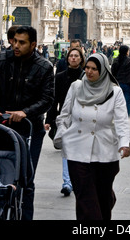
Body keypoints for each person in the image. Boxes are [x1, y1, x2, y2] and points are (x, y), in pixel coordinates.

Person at [0, 26, 54, 220]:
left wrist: (25, 112)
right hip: (2, 126)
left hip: (30, 129)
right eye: (14, 41)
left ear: (33, 45)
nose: (16, 45)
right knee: (0, 172)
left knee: (26, 179)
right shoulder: (1, 60)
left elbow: (47, 99)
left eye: (22, 42)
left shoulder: (44, 67)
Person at [54, 53, 130, 220]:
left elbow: (121, 120)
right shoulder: (76, 86)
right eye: (87, 68)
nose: (89, 72)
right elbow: (64, 114)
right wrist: (63, 133)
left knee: (103, 198)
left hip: (105, 151)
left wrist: (124, 143)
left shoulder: (114, 91)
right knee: (85, 198)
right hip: (77, 149)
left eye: (94, 69)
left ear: (103, 71)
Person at [45, 47, 85, 197]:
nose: (73, 58)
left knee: (80, 151)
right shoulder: (60, 76)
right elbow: (53, 99)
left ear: (81, 58)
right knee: (67, 150)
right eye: (71, 56)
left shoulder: (86, 77)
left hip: (82, 118)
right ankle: (67, 182)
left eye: (76, 56)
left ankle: (77, 180)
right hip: (66, 117)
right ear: (67, 58)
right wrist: (49, 119)